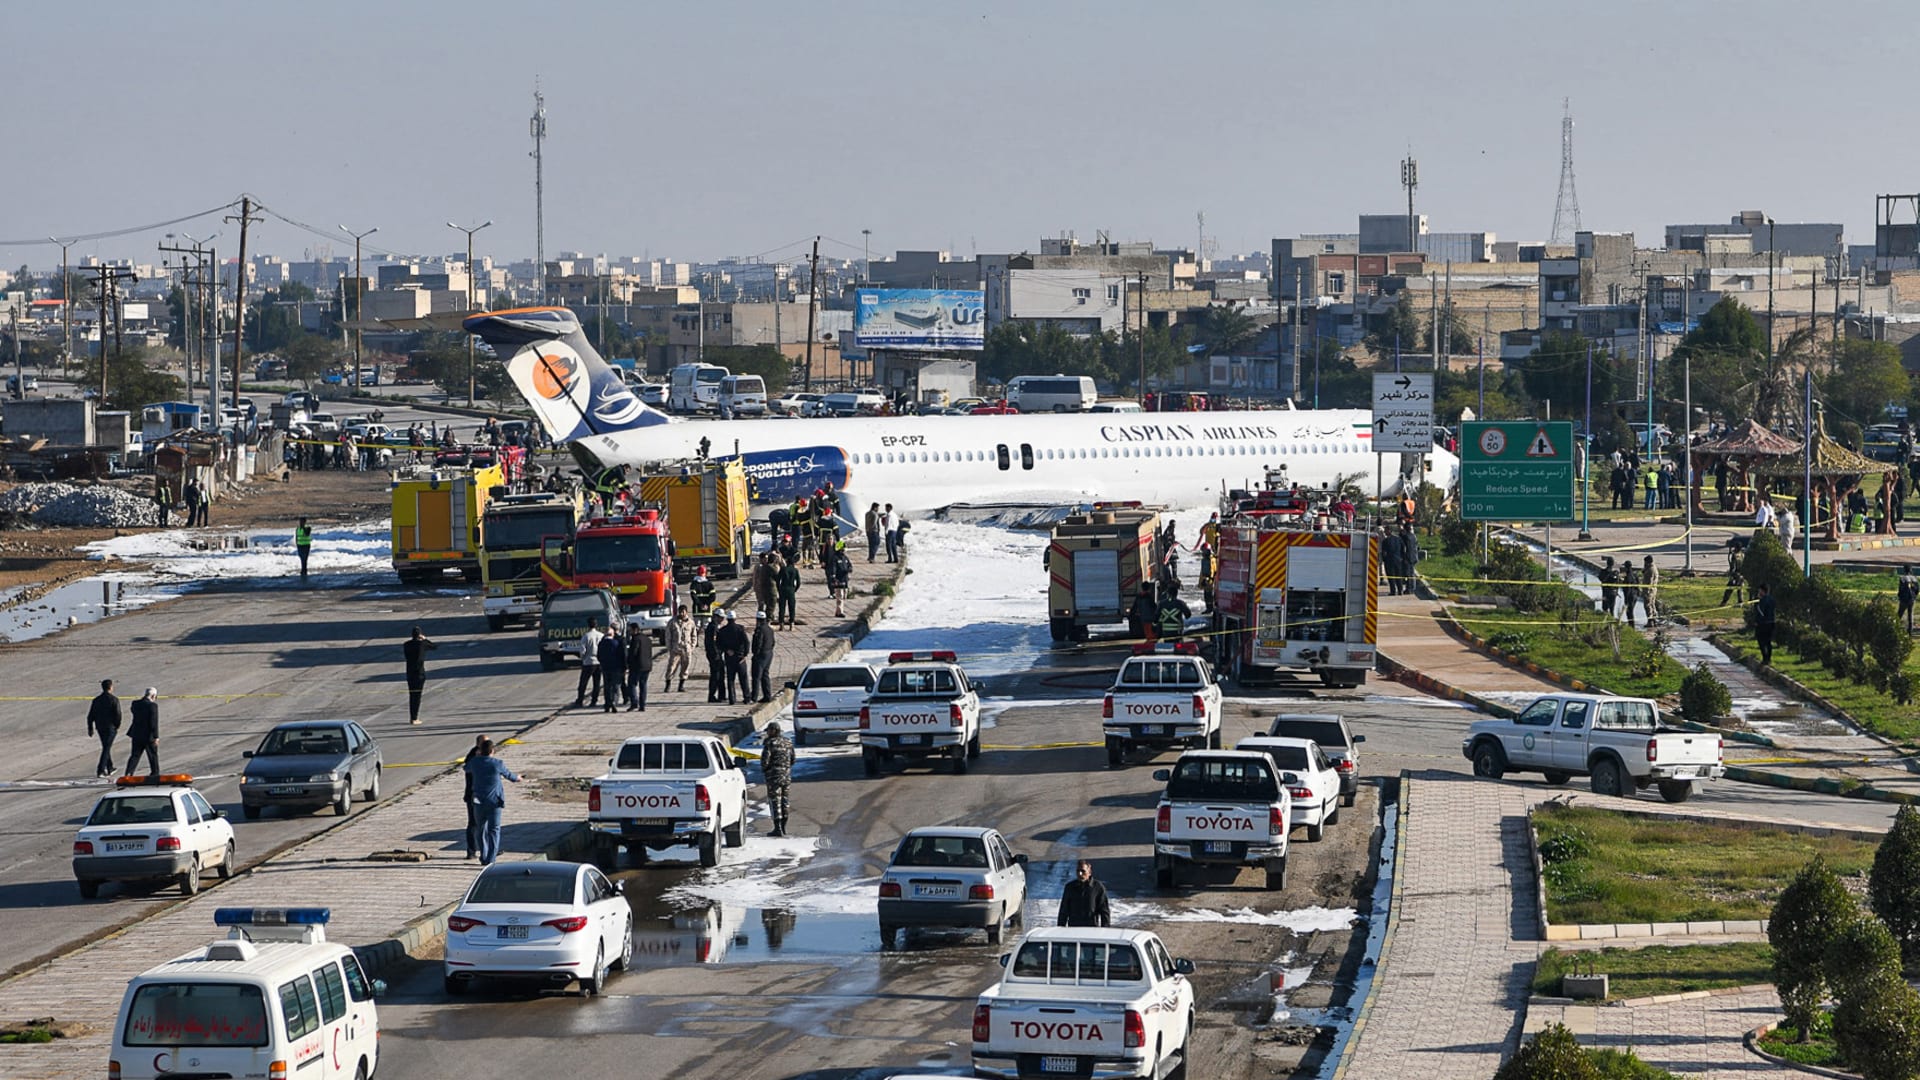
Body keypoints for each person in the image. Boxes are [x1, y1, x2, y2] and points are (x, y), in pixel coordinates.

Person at [462, 737, 522, 865]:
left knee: (480, 829)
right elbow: (510, 777)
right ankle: (491, 858)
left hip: (478, 801)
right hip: (495, 802)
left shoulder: (475, 762)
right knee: (494, 830)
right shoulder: (497, 763)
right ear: (492, 751)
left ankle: (483, 856)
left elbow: (466, 768)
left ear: (480, 750)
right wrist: (519, 777)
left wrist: (475, 757)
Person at [761, 721, 794, 837]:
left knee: (775, 801)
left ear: (774, 731)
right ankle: (784, 827)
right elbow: (793, 759)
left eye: (769, 731)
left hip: (773, 777)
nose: (768, 733)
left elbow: (765, 761)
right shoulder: (788, 742)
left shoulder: (770, 743)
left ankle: (777, 828)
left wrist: (766, 770)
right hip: (786, 776)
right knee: (785, 801)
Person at [1057, 860, 1112, 928]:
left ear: (1089, 872)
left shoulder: (1098, 888)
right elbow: (1064, 910)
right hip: (1073, 929)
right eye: (1078, 871)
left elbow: (1104, 911)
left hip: (1091, 929)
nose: (1080, 874)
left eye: (1083, 871)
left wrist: (1105, 930)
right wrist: (1060, 928)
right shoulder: (1070, 887)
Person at [87, 678, 122, 778]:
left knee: (106, 746)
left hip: (100, 727)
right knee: (106, 748)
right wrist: (117, 725)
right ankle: (101, 770)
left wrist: (90, 728)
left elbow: (91, 715)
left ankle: (110, 767)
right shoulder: (114, 699)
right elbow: (118, 714)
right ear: (110, 687)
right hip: (110, 727)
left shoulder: (96, 700)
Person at [461, 734, 488, 859]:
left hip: (483, 794)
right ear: (478, 744)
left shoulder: (483, 756)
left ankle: (487, 849)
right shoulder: (473, 757)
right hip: (473, 794)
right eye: (484, 743)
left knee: (486, 823)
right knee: (473, 823)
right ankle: (471, 851)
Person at [123, 687, 159, 778]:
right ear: (153, 696)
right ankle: (155, 773)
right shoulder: (152, 706)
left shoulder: (135, 704)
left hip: (137, 733)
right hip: (148, 735)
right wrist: (156, 736)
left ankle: (128, 773)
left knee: (135, 755)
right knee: (153, 755)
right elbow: (153, 722)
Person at [717, 610, 751, 706]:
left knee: (730, 679)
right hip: (740, 658)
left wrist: (726, 650)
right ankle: (747, 698)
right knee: (743, 679)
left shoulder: (723, 630)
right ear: (735, 618)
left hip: (729, 657)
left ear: (727, 619)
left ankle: (732, 699)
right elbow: (746, 642)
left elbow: (718, 644)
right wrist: (745, 654)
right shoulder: (740, 629)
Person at [403, 626, 436, 724]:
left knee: (412, 695)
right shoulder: (422, 644)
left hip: (409, 672)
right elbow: (434, 646)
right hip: (419, 673)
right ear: (420, 635)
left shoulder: (406, 644)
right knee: (417, 696)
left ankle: (412, 716)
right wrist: (425, 639)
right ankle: (414, 718)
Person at [597, 622, 627, 712]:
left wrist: (602, 663)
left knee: (607, 686)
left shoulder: (601, 643)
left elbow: (599, 656)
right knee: (615, 686)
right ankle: (614, 702)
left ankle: (607, 704)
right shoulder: (616, 643)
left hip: (605, 668)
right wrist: (624, 666)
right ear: (612, 634)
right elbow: (622, 655)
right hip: (616, 668)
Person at [576, 617, 605, 709]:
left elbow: (582, 651)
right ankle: (594, 701)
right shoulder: (601, 635)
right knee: (596, 683)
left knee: (583, 683)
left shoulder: (586, 636)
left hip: (588, 662)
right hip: (599, 661)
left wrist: (582, 658)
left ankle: (580, 700)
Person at [665, 604, 694, 693]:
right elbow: (668, 635)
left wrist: (692, 646)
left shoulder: (690, 622)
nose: (681, 614)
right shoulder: (672, 622)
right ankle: (668, 684)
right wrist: (669, 647)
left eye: (683, 612)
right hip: (675, 648)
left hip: (686, 648)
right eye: (680, 612)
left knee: (685, 667)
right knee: (671, 667)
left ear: (686, 612)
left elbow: (694, 635)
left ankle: (681, 685)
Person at [626, 622, 653, 711]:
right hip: (647, 666)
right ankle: (642, 705)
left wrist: (628, 663)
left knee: (632, 684)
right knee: (643, 685)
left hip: (637, 666)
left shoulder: (636, 639)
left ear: (635, 630)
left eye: (630, 630)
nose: (629, 632)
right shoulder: (647, 639)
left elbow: (633, 653)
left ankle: (634, 702)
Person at [751, 610, 777, 703]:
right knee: (765, 675)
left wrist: (755, 654)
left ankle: (754, 697)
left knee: (756, 676)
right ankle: (767, 695)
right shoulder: (769, 629)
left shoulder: (760, 630)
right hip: (769, 653)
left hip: (761, 655)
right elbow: (773, 642)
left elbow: (758, 643)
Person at [704, 609, 728, 702]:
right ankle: (712, 695)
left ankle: (722, 695)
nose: (722, 620)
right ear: (716, 617)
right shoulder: (713, 627)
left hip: (717, 654)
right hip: (714, 655)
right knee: (715, 675)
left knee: (721, 674)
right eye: (721, 618)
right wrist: (716, 655)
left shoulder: (715, 626)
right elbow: (712, 643)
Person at [826, 538, 852, 617]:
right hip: (838, 580)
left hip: (845, 579)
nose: (844, 550)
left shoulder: (845, 558)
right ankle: (840, 612)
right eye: (843, 549)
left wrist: (850, 569)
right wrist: (833, 578)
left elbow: (849, 565)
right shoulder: (835, 558)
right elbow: (833, 569)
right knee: (839, 597)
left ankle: (837, 611)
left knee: (844, 596)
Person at [776, 552, 801, 629]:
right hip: (791, 589)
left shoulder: (783, 569)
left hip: (783, 588)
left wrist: (779, 589)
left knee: (782, 607)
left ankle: (781, 624)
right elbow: (799, 582)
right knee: (792, 607)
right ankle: (791, 623)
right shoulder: (795, 570)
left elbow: (777, 580)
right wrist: (795, 589)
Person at [1754, 582, 1778, 665]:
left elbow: (1760, 612)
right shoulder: (1772, 600)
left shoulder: (1762, 601)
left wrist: (1757, 622)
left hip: (1763, 624)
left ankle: (1765, 658)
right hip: (1772, 622)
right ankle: (1768, 658)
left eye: (1759, 591)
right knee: (1768, 642)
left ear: (1762, 591)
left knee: (1762, 642)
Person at [753, 552, 776, 616]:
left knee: (768, 603)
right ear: (761, 559)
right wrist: (755, 586)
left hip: (766, 587)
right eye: (765, 558)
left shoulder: (767, 566)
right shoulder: (758, 566)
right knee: (761, 603)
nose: (766, 560)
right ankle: (760, 617)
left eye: (767, 558)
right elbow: (755, 577)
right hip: (759, 587)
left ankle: (769, 615)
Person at [1642, 555, 1660, 620]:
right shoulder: (1652, 567)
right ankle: (1654, 618)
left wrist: (1646, 592)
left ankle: (1650, 619)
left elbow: (1649, 582)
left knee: (1648, 605)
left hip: (1649, 591)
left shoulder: (1650, 570)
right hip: (1653, 589)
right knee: (1652, 604)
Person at [1900, 569, 1917, 635]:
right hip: (1912, 599)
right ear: (1910, 570)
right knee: (1910, 615)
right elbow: (1917, 589)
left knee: (1899, 614)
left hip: (1904, 599)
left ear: (1904, 570)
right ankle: (1910, 631)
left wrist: (1900, 597)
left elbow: (1901, 589)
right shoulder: (1914, 578)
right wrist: (1914, 597)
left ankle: (1894, 627)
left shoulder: (1903, 578)